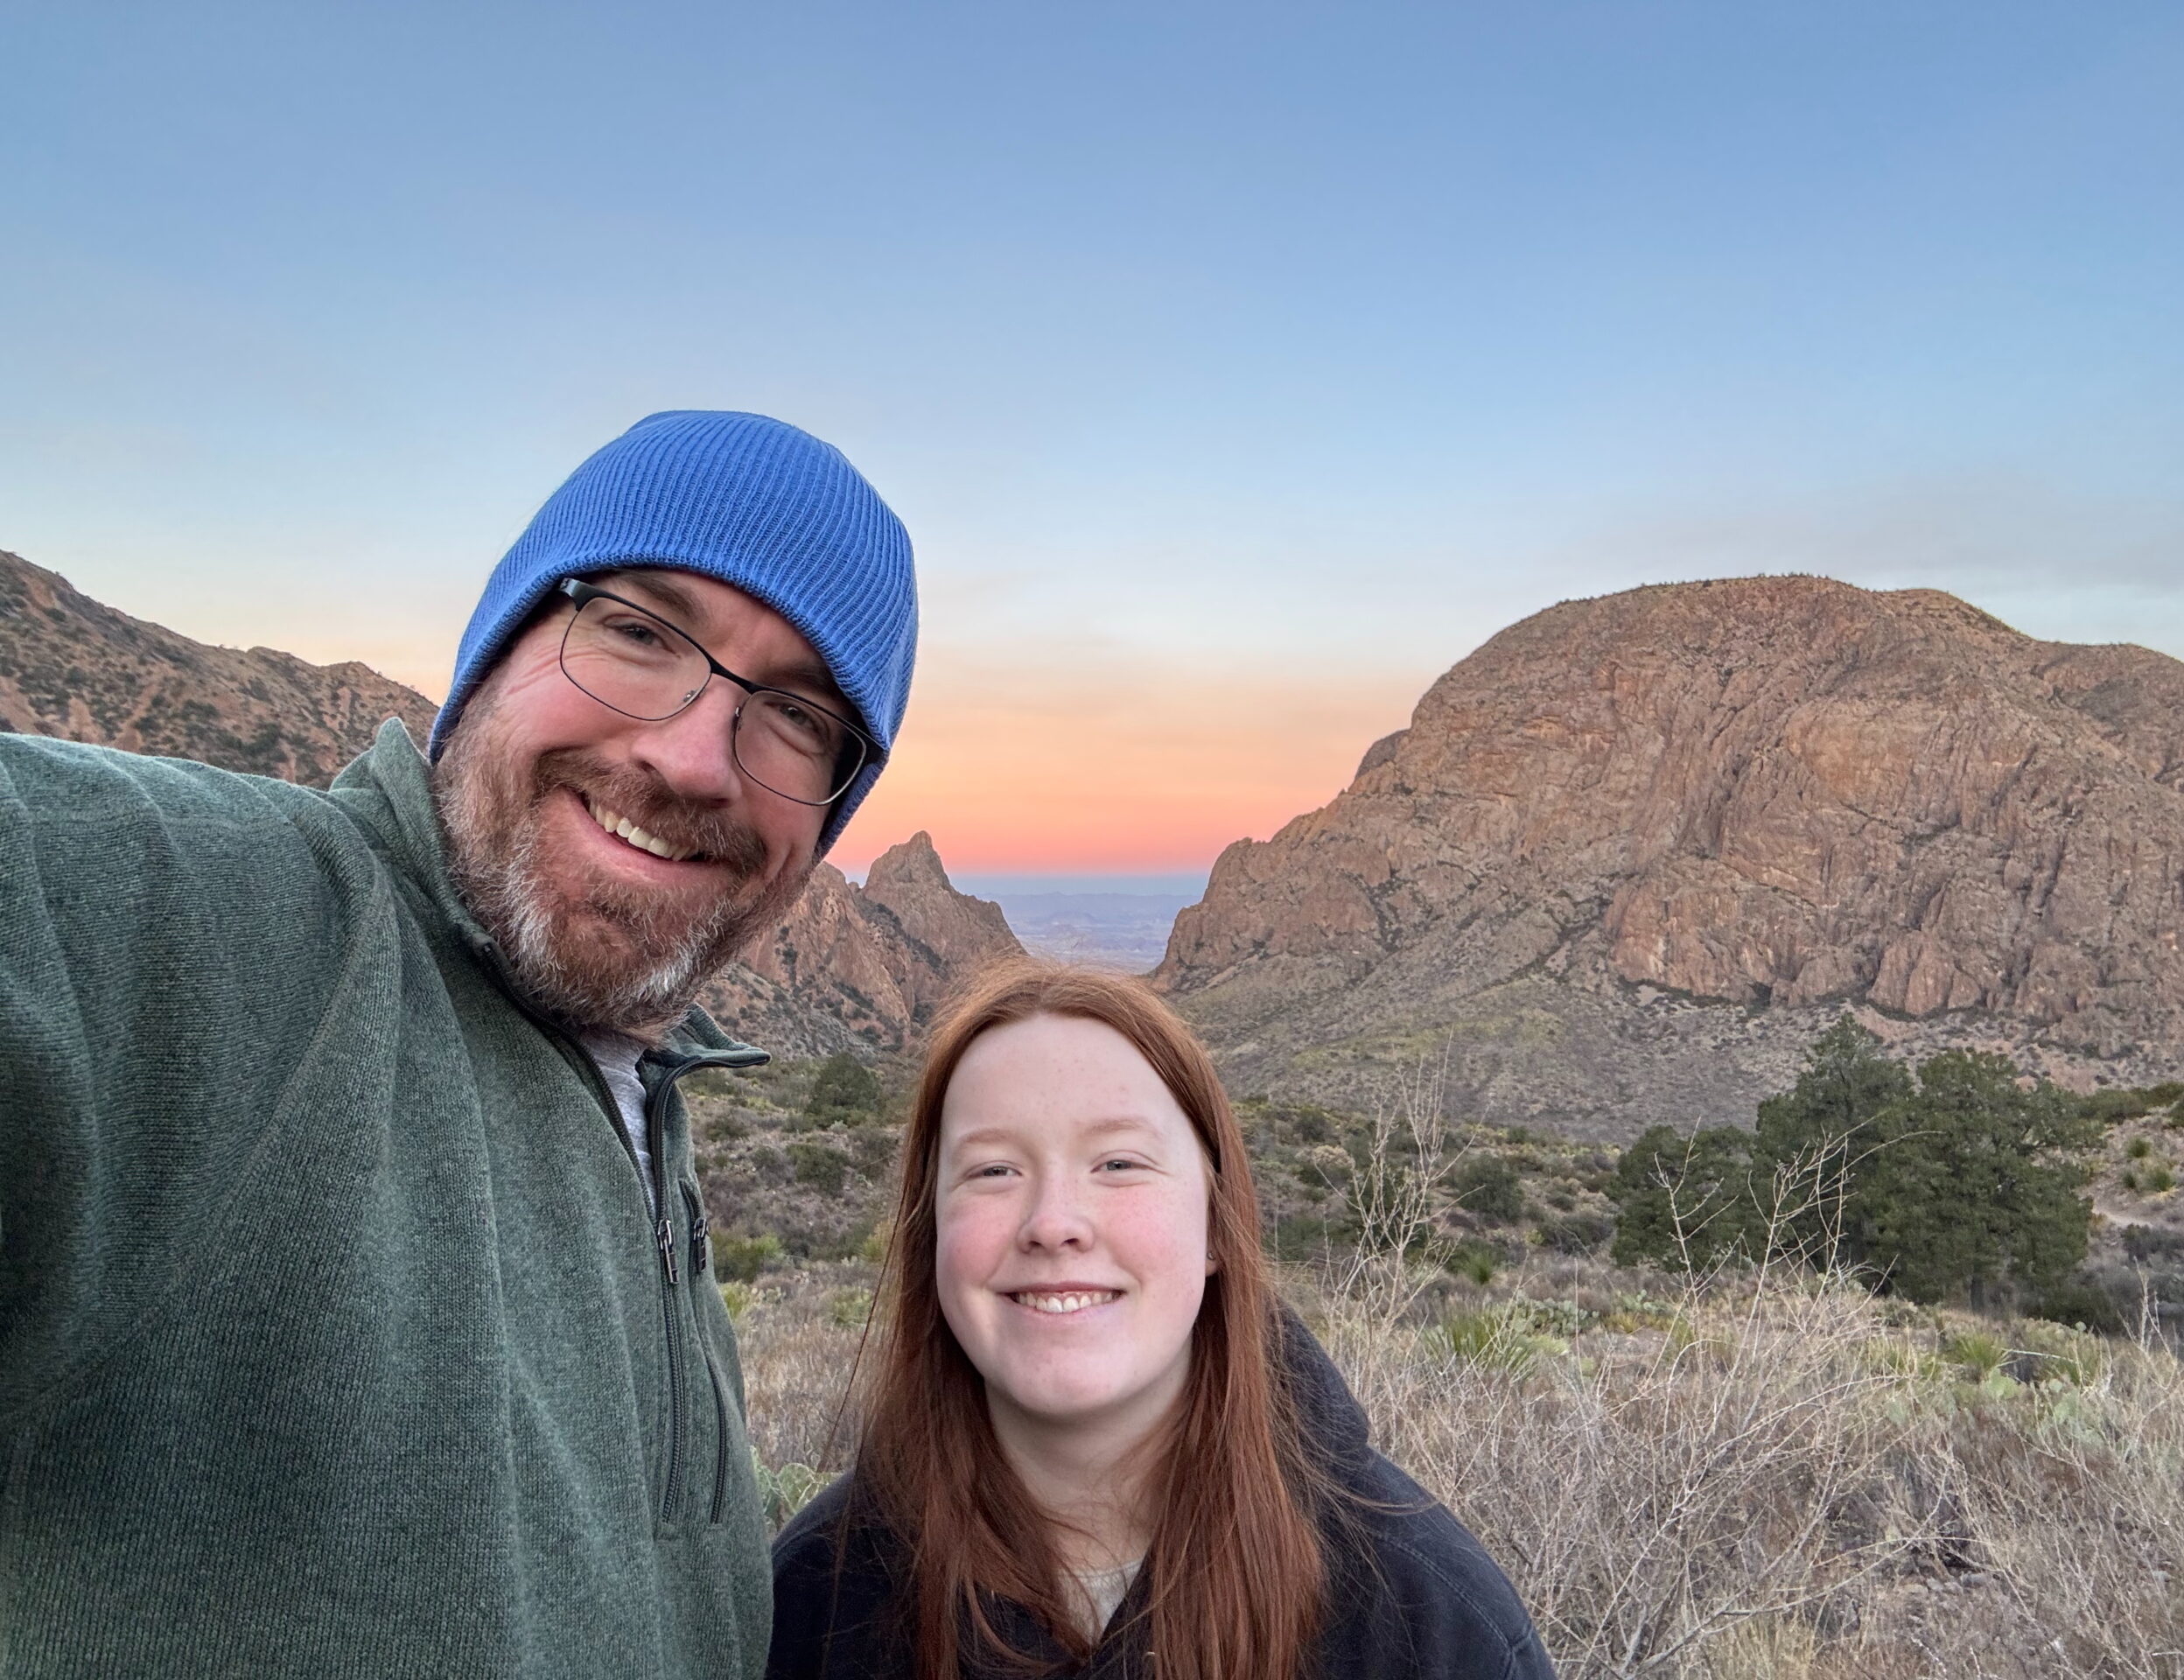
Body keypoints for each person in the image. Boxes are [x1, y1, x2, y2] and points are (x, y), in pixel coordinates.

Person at [0, 411, 916, 1677]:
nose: (694, 756)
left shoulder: (655, 1121)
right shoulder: (205, 924)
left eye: (801, 717)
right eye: (642, 634)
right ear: (497, 649)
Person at [768, 962, 1558, 1680]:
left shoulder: (1429, 1623)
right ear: (929, 1229)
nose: (1053, 1222)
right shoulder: (811, 1605)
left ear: (1216, 1227)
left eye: (1118, 1163)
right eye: (994, 1170)